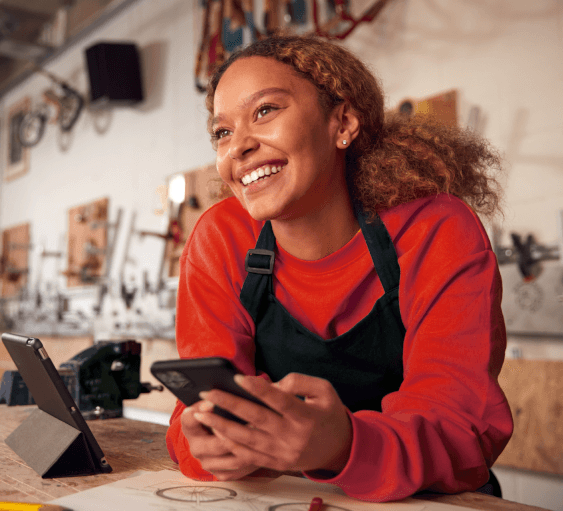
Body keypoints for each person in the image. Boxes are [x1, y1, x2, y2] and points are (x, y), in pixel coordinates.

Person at [166, 35, 512, 501]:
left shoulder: (433, 227)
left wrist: (344, 446)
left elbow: (463, 429)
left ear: (342, 121)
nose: (239, 147)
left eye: (265, 110)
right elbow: (192, 415)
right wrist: (204, 442)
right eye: (222, 132)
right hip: (291, 495)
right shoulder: (220, 238)